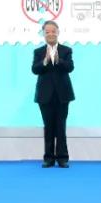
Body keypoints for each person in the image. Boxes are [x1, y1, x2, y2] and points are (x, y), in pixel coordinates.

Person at [33, 20, 75, 168]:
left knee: (61, 126)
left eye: (53, 31)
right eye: (47, 32)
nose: (50, 34)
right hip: (44, 95)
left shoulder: (66, 50)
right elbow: (34, 69)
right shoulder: (38, 52)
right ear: (43, 34)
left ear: (58, 32)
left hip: (63, 94)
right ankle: (48, 158)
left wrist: (59, 60)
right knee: (48, 127)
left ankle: (62, 158)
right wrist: (44, 61)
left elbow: (70, 67)